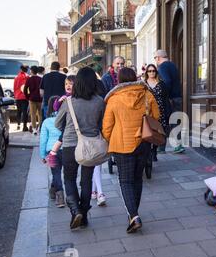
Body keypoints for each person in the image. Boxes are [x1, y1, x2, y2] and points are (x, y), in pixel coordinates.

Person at [102, 67, 160, 233]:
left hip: (122, 145)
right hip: (144, 142)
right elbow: (156, 117)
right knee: (137, 179)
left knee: (125, 181)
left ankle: (133, 215)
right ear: (134, 78)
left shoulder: (114, 99)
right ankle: (133, 213)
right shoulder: (147, 94)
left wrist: (108, 139)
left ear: (118, 80)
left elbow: (107, 126)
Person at [55, 67, 105, 230]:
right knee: (86, 180)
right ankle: (83, 214)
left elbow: (57, 124)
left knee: (69, 178)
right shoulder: (99, 101)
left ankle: (75, 210)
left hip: (70, 145)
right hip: (90, 145)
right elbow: (102, 123)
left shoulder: (68, 102)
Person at [154, 49, 185, 154]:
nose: (155, 60)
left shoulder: (162, 67)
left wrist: (163, 95)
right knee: (175, 121)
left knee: (164, 122)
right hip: (177, 97)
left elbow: (167, 81)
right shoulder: (173, 65)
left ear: (158, 58)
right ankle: (178, 145)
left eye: (155, 58)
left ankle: (161, 147)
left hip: (169, 99)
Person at [40, 96, 65, 208]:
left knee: (56, 173)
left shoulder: (46, 122)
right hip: (66, 149)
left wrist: (42, 155)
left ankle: (60, 197)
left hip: (52, 152)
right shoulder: (65, 119)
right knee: (58, 174)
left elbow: (43, 140)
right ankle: (53, 189)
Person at [144, 64, 172, 161]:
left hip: (160, 111)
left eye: (153, 71)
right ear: (146, 73)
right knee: (148, 131)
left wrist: (168, 113)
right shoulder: (143, 84)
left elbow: (165, 99)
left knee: (157, 132)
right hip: (148, 112)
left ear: (156, 72)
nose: (151, 73)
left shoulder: (161, 84)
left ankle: (154, 151)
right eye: (149, 71)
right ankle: (148, 151)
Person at [24, 66, 43, 135]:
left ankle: (34, 129)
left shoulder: (29, 79)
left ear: (31, 71)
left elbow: (25, 89)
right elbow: (43, 89)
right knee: (40, 114)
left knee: (33, 114)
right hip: (40, 99)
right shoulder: (40, 79)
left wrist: (27, 97)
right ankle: (40, 128)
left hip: (32, 99)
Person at [13, 65, 29, 131]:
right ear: (27, 69)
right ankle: (24, 126)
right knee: (25, 112)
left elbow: (14, 87)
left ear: (21, 69)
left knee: (18, 111)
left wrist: (15, 95)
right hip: (25, 97)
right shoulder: (27, 77)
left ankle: (18, 125)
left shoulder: (16, 77)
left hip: (18, 97)